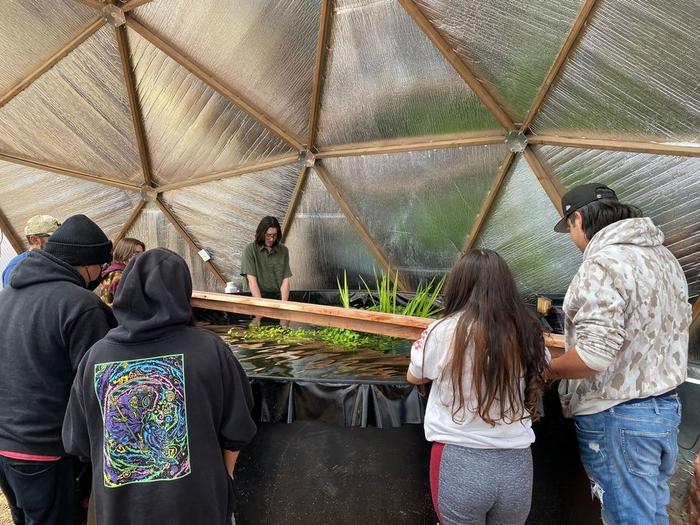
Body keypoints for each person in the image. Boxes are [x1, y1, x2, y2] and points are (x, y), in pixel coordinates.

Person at [63, 248, 257, 525]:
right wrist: (224, 478)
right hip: (198, 509)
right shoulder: (209, 350)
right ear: (182, 291)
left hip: (120, 513)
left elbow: (78, 441)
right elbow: (238, 429)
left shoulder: (96, 357)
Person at [547, 183, 689, 525]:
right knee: (652, 515)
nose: (572, 237)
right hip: (663, 410)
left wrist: (548, 368)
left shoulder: (603, 264)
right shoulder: (665, 259)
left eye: (569, 228)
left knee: (628, 519)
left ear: (578, 219)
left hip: (617, 417)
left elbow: (594, 355)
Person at [407, 249, 547, 525]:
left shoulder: (441, 331)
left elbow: (414, 375)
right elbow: (544, 367)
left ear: (459, 285)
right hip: (516, 466)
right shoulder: (528, 331)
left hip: (459, 462)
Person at [0, 214, 116, 524]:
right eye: (101, 266)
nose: (102, 274)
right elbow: (99, 389)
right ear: (87, 263)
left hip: (6, 447)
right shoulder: (81, 306)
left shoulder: (5, 297)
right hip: (48, 451)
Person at [240, 216, 292, 326]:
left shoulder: (283, 250)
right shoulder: (250, 250)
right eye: (268, 235)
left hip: (275, 300)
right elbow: (252, 282)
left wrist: (284, 309)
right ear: (261, 233)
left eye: (274, 235)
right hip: (254, 301)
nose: (272, 239)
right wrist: (260, 311)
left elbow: (285, 281)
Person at [2, 214, 60, 287]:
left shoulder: (55, 259)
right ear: (34, 240)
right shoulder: (15, 268)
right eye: (54, 238)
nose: (59, 241)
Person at [98, 237, 145, 307]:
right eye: (136, 253)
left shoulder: (113, 270)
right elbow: (127, 305)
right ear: (125, 252)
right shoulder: (119, 275)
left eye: (142, 254)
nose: (141, 257)